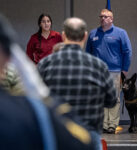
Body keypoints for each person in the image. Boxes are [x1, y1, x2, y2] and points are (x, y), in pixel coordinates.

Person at [0, 14, 96, 150]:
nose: (46, 24)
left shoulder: (56, 36)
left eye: (48, 21)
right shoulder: (27, 113)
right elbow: (85, 143)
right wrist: (43, 100)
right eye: (43, 21)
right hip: (41, 72)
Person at [38, 17, 117, 150]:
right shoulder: (99, 66)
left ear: (63, 35)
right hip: (89, 139)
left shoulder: (45, 64)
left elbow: (35, 99)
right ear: (85, 36)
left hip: (57, 138)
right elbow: (112, 101)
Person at [86, 9, 132, 134]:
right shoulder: (93, 33)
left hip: (115, 71)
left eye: (106, 17)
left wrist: (125, 69)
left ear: (111, 19)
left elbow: (127, 52)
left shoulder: (121, 33)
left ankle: (112, 125)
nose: (103, 19)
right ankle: (102, 124)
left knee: (114, 98)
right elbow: (87, 53)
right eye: (101, 16)